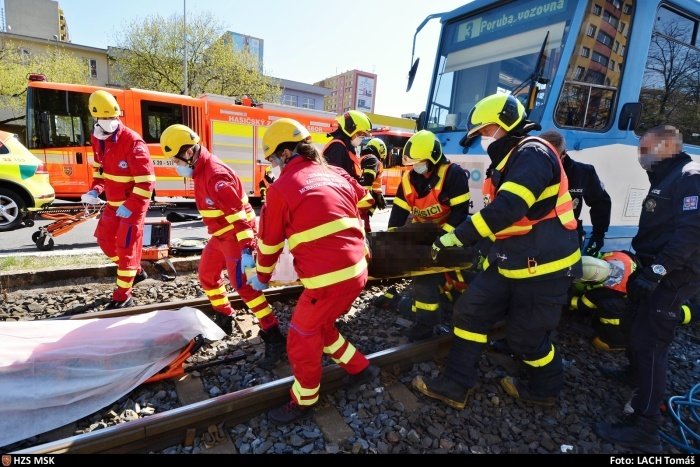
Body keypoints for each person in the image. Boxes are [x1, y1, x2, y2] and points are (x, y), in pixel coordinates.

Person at [413, 93, 581, 408]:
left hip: (545, 266)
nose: (481, 141)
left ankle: (546, 389)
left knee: (526, 339)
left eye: (482, 133)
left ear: (499, 126)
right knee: (470, 311)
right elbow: (503, 223)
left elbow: (510, 208)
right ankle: (455, 384)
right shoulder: (506, 163)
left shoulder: (533, 153)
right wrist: (482, 252)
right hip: (511, 260)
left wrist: (458, 237)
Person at [251, 117, 379, 424]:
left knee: (301, 336)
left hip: (329, 280)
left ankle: (305, 398)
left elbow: (268, 245)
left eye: (272, 158)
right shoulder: (335, 173)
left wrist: (260, 278)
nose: (272, 164)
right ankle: (361, 368)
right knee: (322, 328)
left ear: (284, 153)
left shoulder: (282, 189)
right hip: (357, 269)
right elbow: (366, 199)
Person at [595, 125, 700, 453]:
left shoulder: (689, 176)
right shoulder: (669, 175)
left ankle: (645, 425)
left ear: (668, 145)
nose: (641, 156)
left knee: (650, 341)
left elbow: (691, 231)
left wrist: (657, 271)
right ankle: (633, 374)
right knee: (631, 324)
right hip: (653, 265)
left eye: (645, 149)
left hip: (673, 273)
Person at [159, 124, 285, 369]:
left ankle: (273, 334)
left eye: (176, 159)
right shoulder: (200, 170)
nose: (176, 164)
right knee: (207, 276)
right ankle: (225, 315)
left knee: (245, 287)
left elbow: (240, 219)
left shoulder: (216, 175)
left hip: (236, 236)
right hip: (220, 235)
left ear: (189, 152)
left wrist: (248, 251)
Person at [387, 130, 471, 341]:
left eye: (420, 162)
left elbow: (460, 213)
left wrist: (442, 238)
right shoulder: (408, 180)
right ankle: (426, 323)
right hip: (423, 234)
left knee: (465, 273)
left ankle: (461, 306)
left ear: (433, 158)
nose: (416, 167)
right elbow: (397, 214)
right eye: (412, 163)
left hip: (452, 232)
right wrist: (390, 242)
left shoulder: (453, 174)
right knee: (423, 277)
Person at [81, 90, 154, 309]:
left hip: (133, 206)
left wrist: (130, 205)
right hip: (113, 204)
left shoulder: (133, 143)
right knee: (104, 240)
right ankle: (135, 271)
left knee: (125, 248)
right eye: (104, 119)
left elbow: (146, 183)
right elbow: (100, 170)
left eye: (112, 118)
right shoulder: (98, 138)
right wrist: (95, 190)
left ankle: (123, 295)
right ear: (95, 118)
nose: (109, 122)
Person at [571, 253, 697, 351]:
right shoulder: (616, 256)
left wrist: (566, 300)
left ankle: (615, 341)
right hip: (652, 293)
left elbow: (583, 304)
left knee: (669, 316)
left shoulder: (606, 290)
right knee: (671, 312)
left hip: (639, 308)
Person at [539, 130, 612, 255]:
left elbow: (601, 202)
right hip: (534, 236)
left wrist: (598, 235)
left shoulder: (583, 172)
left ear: (563, 155)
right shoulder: (526, 171)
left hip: (567, 238)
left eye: (552, 157)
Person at [323, 110, 372, 182]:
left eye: (364, 135)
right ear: (350, 128)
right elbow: (336, 180)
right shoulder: (337, 148)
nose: (362, 137)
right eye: (361, 134)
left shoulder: (346, 147)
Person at [358, 137, 388, 233]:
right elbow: (368, 181)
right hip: (362, 206)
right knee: (365, 234)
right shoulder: (372, 159)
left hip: (358, 204)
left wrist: (377, 194)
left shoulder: (361, 159)